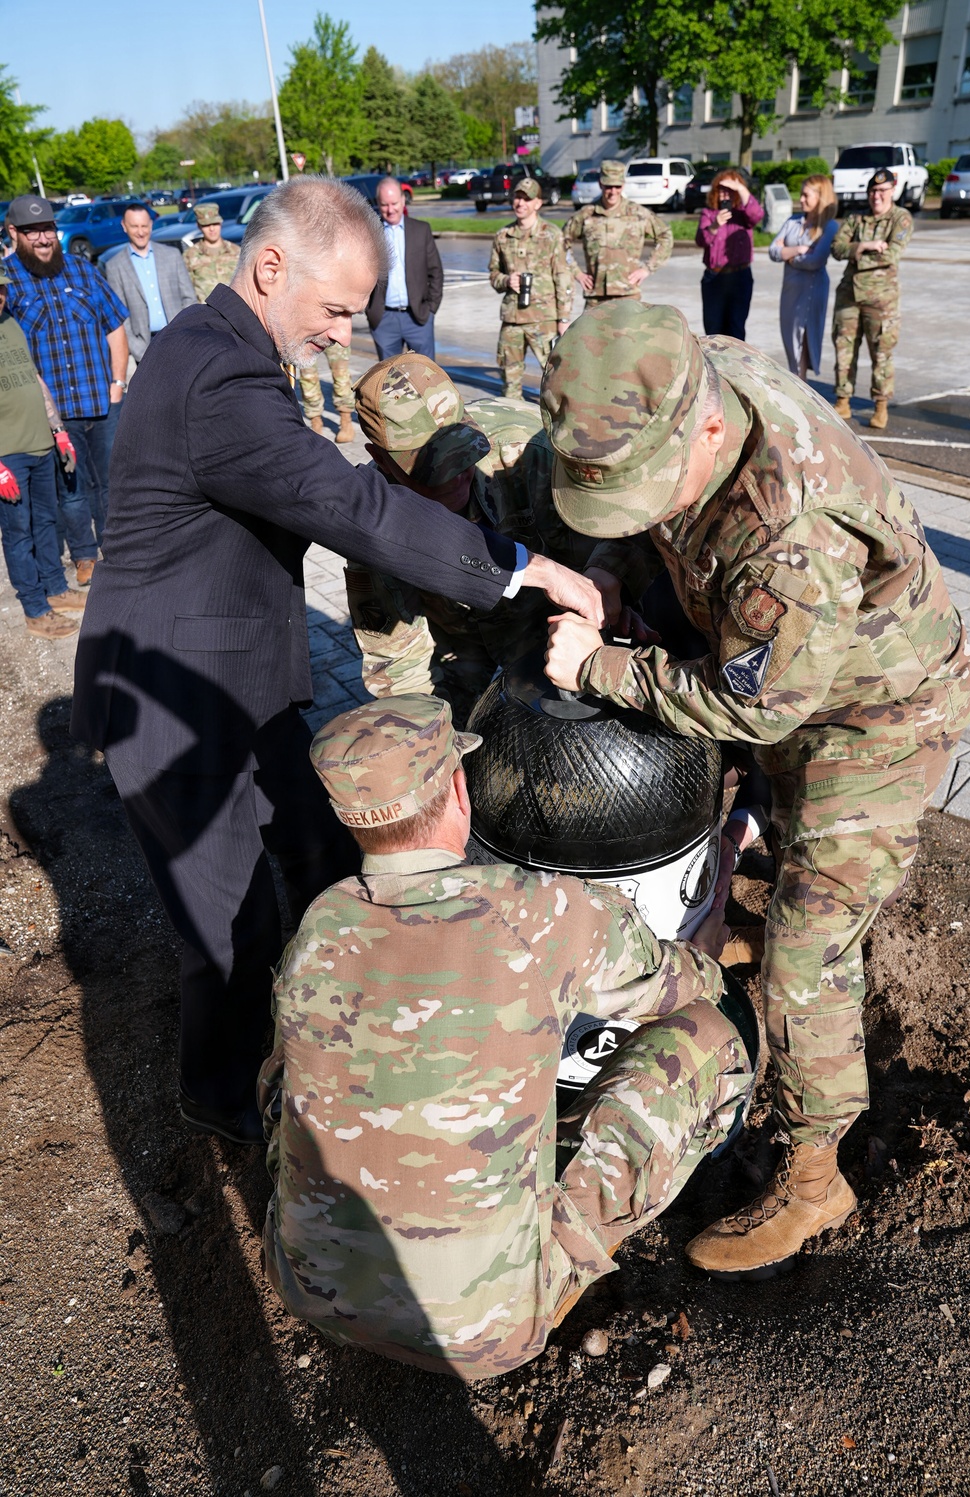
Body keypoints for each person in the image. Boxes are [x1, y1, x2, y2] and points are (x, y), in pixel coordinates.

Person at [70, 175, 602, 1146]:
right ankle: (236, 1107)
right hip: (174, 702)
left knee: (318, 846)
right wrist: (520, 568)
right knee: (228, 933)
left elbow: (317, 489)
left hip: (234, 679)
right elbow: (344, 507)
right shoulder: (218, 376)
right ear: (271, 266)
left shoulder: (221, 348)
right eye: (335, 310)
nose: (343, 336)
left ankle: (334, 1023)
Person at [541, 301, 970, 1279]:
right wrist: (615, 572)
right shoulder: (695, 370)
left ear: (703, 429)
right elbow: (664, 522)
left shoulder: (789, 533)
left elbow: (759, 712)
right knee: (778, 854)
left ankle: (817, 1178)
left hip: (875, 716)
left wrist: (600, 670)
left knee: (807, 956)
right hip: (796, 670)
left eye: (648, 491)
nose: (645, 510)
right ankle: (773, 934)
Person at [258, 694, 755, 1378]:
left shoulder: (320, 925)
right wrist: (707, 959)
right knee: (706, 1036)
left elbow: (281, 1078)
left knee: (290, 1057)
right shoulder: (538, 910)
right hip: (487, 1335)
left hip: (310, 1289)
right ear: (462, 790)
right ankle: (669, 1179)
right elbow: (671, 988)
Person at [346, 352, 594, 726]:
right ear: (381, 460)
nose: (455, 476)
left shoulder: (528, 452)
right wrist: (433, 747)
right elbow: (398, 662)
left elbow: (592, 566)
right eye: (432, 470)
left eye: (463, 455)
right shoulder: (371, 516)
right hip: (455, 641)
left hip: (542, 622)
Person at [4, 193, 129, 579]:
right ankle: (85, 556)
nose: (43, 239)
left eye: (48, 230)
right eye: (32, 232)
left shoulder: (82, 270)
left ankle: (119, 549)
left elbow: (115, 326)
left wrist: (118, 382)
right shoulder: (8, 285)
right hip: (53, 414)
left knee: (112, 483)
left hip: (101, 398)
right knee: (71, 491)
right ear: (13, 233)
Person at [0, 262, 84, 639]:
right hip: (8, 456)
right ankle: (36, 609)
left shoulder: (11, 325)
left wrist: (58, 430)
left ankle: (56, 588)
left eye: (1, 289)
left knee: (47, 523)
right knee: (18, 534)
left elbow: (35, 380)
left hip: (40, 444)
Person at [830, 167, 914, 431]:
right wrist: (864, 246)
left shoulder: (901, 218)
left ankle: (880, 405)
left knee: (881, 352)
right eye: (872, 191)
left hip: (881, 299)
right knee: (844, 349)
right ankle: (843, 399)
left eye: (881, 191)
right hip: (849, 296)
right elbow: (836, 248)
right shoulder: (856, 219)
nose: (876, 196)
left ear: (892, 191)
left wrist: (853, 254)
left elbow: (891, 255)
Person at [488, 179, 572, 399]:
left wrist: (564, 319)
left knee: (555, 378)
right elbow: (493, 275)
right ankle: (512, 424)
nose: (520, 203)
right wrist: (506, 281)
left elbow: (563, 276)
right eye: (517, 197)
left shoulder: (551, 234)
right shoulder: (503, 236)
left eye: (527, 198)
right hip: (512, 320)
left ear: (538, 203)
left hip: (543, 319)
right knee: (509, 382)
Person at [563, 160, 672, 304]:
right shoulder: (586, 214)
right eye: (608, 186)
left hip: (628, 295)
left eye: (617, 186)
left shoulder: (638, 214)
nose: (613, 192)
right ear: (600, 184)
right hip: (596, 296)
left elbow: (665, 235)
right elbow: (560, 242)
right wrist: (577, 273)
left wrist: (647, 268)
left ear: (623, 185)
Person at [105, 202, 197, 366]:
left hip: (178, 337)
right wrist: (138, 349)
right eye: (134, 226)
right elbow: (120, 315)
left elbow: (189, 298)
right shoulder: (114, 266)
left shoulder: (172, 255)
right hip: (145, 346)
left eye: (144, 226)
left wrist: (185, 332)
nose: (140, 232)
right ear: (124, 226)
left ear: (151, 225)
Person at [768, 175, 839, 379]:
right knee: (790, 338)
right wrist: (799, 249)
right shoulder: (792, 221)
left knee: (805, 339)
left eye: (806, 195)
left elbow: (816, 260)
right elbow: (773, 251)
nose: (801, 199)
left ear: (820, 197)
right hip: (790, 290)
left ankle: (801, 387)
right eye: (801, 194)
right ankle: (798, 381)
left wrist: (788, 255)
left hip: (812, 291)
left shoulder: (829, 226)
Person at [365, 177, 443, 360]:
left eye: (394, 203)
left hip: (418, 318)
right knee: (390, 383)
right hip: (384, 320)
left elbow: (436, 272)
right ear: (378, 203)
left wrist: (431, 308)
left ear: (402, 200)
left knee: (425, 379)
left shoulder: (421, 230)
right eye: (384, 205)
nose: (390, 210)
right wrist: (370, 309)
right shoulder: (369, 233)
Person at [696, 169, 765, 340]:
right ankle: (714, 366)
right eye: (722, 189)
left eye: (731, 190)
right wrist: (714, 226)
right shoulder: (709, 213)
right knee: (713, 329)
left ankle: (736, 367)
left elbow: (757, 215)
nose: (726, 194)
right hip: (715, 277)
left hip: (739, 276)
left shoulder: (744, 214)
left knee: (736, 329)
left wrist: (741, 188)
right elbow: (700, 240)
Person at [182, 202, 241, 303]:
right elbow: (187, 291)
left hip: (234, 311)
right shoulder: (190, 256)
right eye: (206, 225)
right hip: (205, 314)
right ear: (199, 226)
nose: (212, 229)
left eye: (215, 224)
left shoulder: (236, 252)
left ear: (221, 223)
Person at [297, 343, 355, 445]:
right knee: (308, 378)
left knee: (341, 374)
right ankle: (316, 423)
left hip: (334, 330)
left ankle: (346, 422)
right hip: (306, 333)